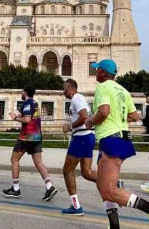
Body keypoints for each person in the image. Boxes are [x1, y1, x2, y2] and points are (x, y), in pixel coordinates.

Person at [85, 59, 149, 229]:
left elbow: (104, 111)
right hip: (120, 138)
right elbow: (134, 116)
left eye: (97, 69)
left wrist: (91, 121)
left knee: (108, 190)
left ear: (103, 72)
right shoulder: (123, 90)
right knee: (102, 185)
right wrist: (119, 119)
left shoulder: (102, 87)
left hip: (111, 139)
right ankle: (114, 226)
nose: (95, 71)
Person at [2, 86, 58, 201]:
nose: (21, 93)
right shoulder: (35, 103)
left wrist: (14, 118)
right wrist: (19, 116)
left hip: (26, 137)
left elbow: (27, 119)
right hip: (37, 137)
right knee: (38, 163)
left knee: (14, 160)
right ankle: (49, 186)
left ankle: (16, 189)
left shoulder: (27, 103)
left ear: (26, 92)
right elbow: (30, 118)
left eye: (22, 91)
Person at [60, 79, 98, 216]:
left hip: (82, 137)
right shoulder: (79, 99)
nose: (63, 91)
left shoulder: (76, 98)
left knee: (67, 171)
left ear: (69, 88)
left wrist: (70, 126)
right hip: (88, 136)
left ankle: (76, 207)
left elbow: (84, 117)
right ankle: (113, 184)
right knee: (86, 173)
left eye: (64, 88)